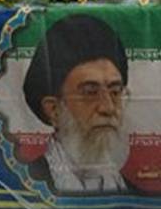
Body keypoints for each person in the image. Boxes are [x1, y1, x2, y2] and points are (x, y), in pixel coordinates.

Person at [22, 15, 131, 193]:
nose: (108, 108)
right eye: (90, 92)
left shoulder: (137, 197)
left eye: (115, 92)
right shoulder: (23, 185)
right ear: (54, 110)